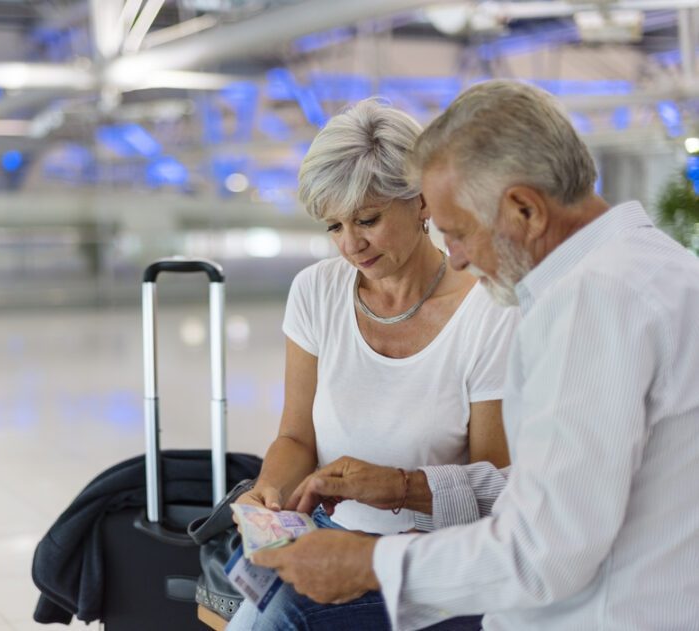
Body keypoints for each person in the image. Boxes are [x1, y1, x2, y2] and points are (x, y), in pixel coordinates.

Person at [252, 79, 699, 631]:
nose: (458, 259)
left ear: (524, 209)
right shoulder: (659, 268)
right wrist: (404, 487)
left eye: (459, 232)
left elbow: (540, 552)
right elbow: (556, 488)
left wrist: (371, 564)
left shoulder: (589, 306)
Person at [228, 98, 519, 630]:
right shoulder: (316, 292)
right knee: (255, 605)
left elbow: (494, 488)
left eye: (367, 220)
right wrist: (271, 493)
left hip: (432, 557)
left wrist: (394, 506)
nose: (350, 245)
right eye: (333, 227)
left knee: (278, 619)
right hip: (329, 535)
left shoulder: (489, 312)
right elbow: (295, 437)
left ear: (422, 200)